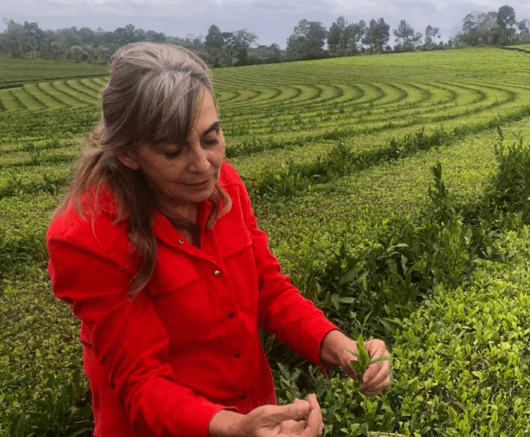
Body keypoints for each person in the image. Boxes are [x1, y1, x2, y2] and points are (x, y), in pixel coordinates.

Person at [46, 42, 390, 437]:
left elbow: (268, 289)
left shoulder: (224, 186)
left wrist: (340, 346)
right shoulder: (88, 237)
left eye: (211, 139)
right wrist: (233, 427)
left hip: (250, 410)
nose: (202, 164)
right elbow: (141, 382)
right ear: (127, 154)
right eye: (173, 151)